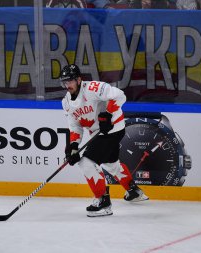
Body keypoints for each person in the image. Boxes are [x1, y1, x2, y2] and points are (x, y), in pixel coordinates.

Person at [60, 64, 149, 217]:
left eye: (70, 81)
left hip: (113, 128)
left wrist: (108, 114)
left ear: (79, 79)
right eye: (65, 82)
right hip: (100, 133)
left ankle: (103, 202)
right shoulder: (66, 103)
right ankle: (134, 191)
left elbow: (120, 95)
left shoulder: (94, 88)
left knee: (86, 162)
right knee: (110, 163)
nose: (67, 85)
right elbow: (75, 126)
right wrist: (74, 146)